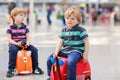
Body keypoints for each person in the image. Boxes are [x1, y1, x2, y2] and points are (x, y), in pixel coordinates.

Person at [47, 5, 89, 80]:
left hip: (76, 51)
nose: (69, 20)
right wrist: (56, 52)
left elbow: (86, 41)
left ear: (78, 21)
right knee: (49, 58)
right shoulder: (64, 30)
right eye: (67, 18)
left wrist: (85, 54)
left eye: (72, 19)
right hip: (65, 51)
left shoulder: (81, 30)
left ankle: (70, 78)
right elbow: (60, 42)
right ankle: (51, 76)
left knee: (71, 61)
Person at [6, 7, 44, 77]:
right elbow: (9, 39)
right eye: (21, 15)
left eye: (24, 16)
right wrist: (16, 43)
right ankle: (11, 69)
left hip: (24, 44)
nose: (23, 17)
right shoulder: (10, 27)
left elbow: (28, 37)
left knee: (34, 50)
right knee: (13, 50)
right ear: (14, 16)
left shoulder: (25, 26)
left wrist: (27, 43)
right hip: (15, 44)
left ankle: (35, 67)